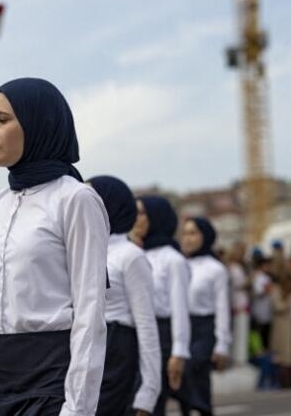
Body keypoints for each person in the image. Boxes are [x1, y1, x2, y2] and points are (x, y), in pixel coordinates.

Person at [0, 77, 109, 416]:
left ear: (39, 123)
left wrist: (78, 408)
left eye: (2, 119)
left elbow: (90, 310)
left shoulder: (75, 199)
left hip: (48, 380)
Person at [88, 175, 161, 416]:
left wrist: (148, 391)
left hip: (117, 349)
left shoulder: (130, 255)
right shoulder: (82, 251)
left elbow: (146, 324)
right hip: (85, 346)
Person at [136, 195, 191, 416]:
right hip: (139, 334)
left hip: (163, 334)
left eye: (141, 213)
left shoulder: (173, 259)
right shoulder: (136, 253)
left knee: (154, 403)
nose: (135, 218)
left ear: (156, 218)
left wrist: (178, 352)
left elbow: (180, 308)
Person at [179, 217, 231, 416]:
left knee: (193, 369)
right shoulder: (179, 262)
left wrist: (222, 344)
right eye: (184, 233)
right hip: (182, 326)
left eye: (193, 233)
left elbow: (222, 307)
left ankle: (201, 409)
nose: (187, 239)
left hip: (204, 328)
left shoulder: (215, 269)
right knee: (185, 378)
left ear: (205, 236)